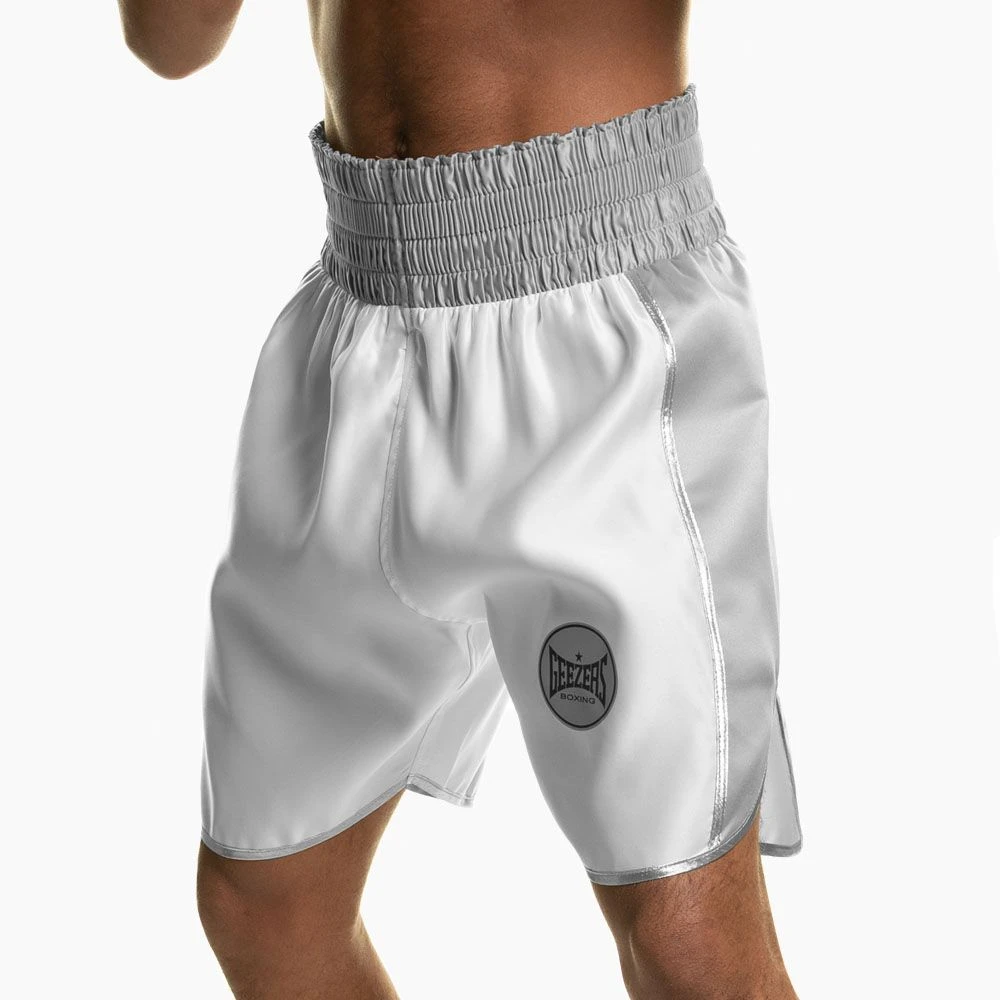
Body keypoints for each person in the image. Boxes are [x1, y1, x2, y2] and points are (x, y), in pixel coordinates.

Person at [117, 1, 803, 996]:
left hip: (599, 312)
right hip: (360, 322)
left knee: (684, 935)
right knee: (264, 900)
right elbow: (169, 41)